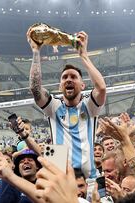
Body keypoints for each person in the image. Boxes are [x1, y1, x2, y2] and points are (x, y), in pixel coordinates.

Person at [27, 30, 106, 178]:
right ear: (60, 86)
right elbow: (35, 89)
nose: (68, 79)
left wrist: (83, 55)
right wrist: (36, 51)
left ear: (82, 85)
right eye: (64, 77)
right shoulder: (54, 107)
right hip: (62, 179)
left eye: (74, 77)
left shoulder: (89, 106)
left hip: (90, 180)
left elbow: (101, 88)